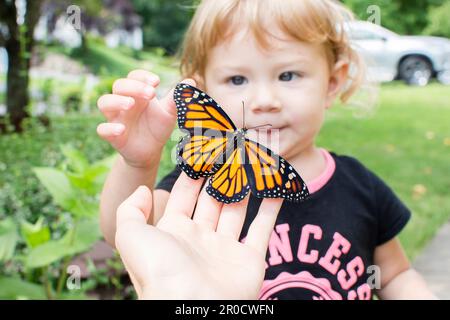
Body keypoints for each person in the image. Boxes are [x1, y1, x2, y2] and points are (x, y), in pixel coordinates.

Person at [97, 0, 436, 300]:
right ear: (204, 89)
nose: (264, 102)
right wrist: (138, 162)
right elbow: (123, 232)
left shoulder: (362, 186)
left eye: (288, 75)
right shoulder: (198, 184)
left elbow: (395, 274)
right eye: (238, 80)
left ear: (332, 83)